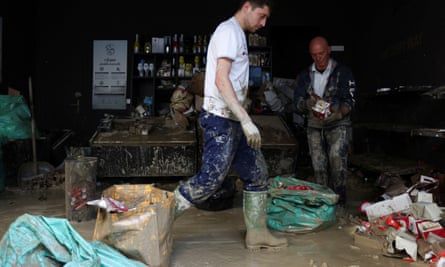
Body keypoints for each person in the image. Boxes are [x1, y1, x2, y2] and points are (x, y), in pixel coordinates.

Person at [173, 0, 287, 250]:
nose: (263, 23)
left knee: (257, 175)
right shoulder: (228, 32)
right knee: (209, 181)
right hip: (221, 120)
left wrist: (243, 118)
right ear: (247, 6)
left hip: (233, 119)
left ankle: (257, 234)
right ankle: (157, 220)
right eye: (262, 16)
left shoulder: (238, 34)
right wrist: (246, 119)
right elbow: (221, 79)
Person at [294, 36, 356, 209]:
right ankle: (323, 205)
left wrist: (338, 113)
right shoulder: (305, 75)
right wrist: (305, 104)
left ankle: (339, 204)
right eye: (314, 55)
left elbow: (350, 100)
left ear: (328, 51)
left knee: (337, 161)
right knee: (318, 165)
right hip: (314, 124)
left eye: (321, 54)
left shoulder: (343, 72)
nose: (318, 58)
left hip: (337, 123)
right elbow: (296, 104)